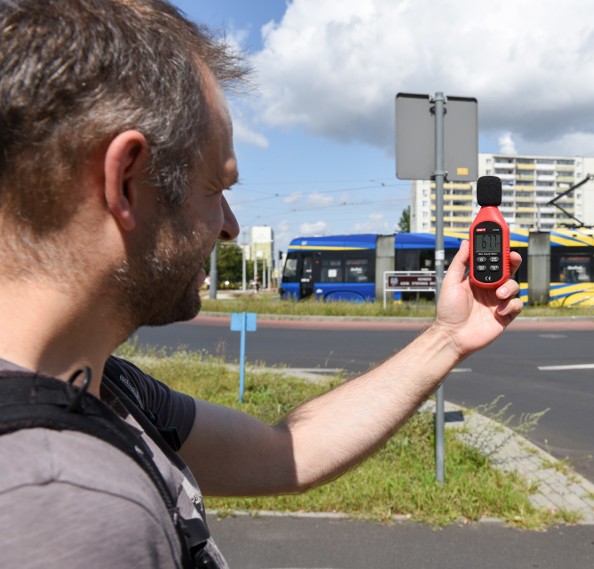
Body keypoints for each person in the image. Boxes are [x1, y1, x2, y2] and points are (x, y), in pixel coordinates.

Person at [0, 1, 523, 567]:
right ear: (125, 180)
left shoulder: (104, 388)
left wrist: (448, 338)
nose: (230, 226)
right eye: (215, 186)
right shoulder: (65, 506)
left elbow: (281, 453)